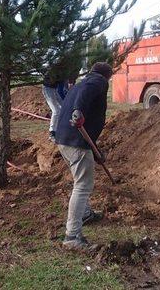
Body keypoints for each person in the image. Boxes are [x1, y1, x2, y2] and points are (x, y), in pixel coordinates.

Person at [54, 62, 112, 250]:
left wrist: (95, 151)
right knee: (83, 185)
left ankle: (85, 213)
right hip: (75, 140)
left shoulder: (80, 83)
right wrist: (78, 111)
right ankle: (72, 235)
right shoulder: (98, 81)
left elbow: (87, 120)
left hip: (64, 139)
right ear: (107, 76)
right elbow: (85, 95)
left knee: (80, 181)